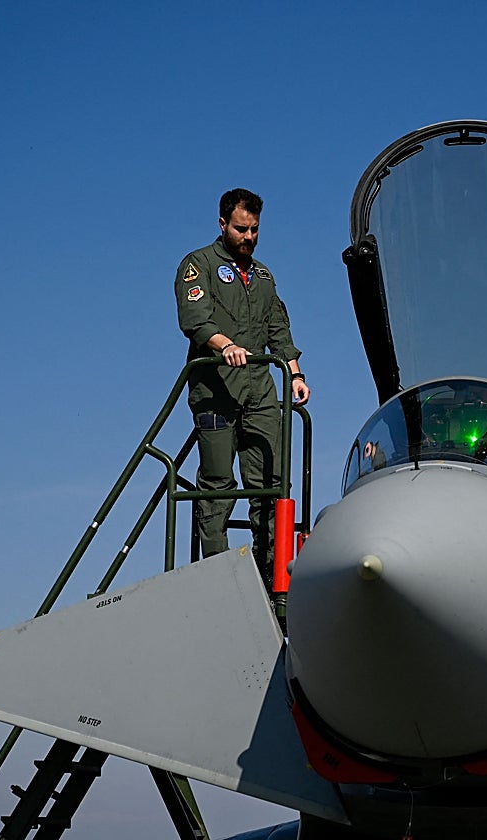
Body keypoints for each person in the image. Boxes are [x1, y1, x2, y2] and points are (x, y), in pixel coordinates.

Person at [175, 188, 310, 592]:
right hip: (217, 392)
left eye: (254, 230)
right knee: (217, 487)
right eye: (240, 229)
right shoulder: (198, 265)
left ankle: (271, 579)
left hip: (261, 395)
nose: (248, 237)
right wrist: (225, 345)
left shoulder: (264, 277)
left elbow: (278, 331)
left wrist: (296, 374)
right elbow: (195, 320)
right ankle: (218, 580)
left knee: (272, 483)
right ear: (222, 224)